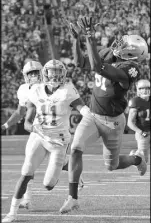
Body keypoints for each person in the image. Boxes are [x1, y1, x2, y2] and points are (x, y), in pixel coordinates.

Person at [60, 16, 148, 213]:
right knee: (75, 148)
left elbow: (97, 67)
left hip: (113, 123)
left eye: (125, 44)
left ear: (131, 53)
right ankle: (73, 198)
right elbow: (81, 61)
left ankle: (137, 159)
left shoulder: (131, 68)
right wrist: (77, 40)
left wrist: (90, 35)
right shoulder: (110, 53)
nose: (119, 43)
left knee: (112, 165)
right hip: (93, 115)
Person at [2, 59, 88, 223]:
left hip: (58, 141)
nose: (54, 76)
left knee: (48, 185)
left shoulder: (67, 90)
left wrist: (91, 117)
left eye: (57, 73)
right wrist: (34, 129)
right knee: (26, 171)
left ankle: (74, 172)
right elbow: (26, 120)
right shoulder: (32, 91)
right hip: (38, 137)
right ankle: (13, 212)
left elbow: (83, 109)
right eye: (30, 73)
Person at [2, 60, 43, 210]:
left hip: (51, 127)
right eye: (30, 73)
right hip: (35, 129)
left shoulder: (48, 87)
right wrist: (6, 125)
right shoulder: (23, 89)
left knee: (61, 162)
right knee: (29, 164)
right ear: (26, 76)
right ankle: (27, 199)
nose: (33, 76)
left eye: (36, 72)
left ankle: (78, 182)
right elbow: (20, 112)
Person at [127, 79, 150, 163]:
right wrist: (140, 132)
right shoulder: (135, 101)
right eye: (142, 88)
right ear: (138, 90)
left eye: (147, 88)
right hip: (143, 133)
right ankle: (133, 156)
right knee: (144, 161)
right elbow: (130, 123)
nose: (145, 90)